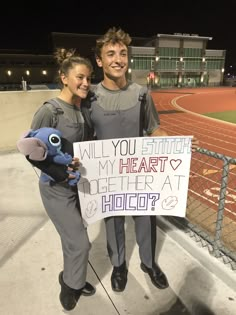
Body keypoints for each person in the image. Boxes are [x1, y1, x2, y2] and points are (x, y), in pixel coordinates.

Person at [81, 27, 199, 293]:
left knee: (146, 218)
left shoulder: (142, 93)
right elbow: (85, 137)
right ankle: (119, 265)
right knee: (113, 223)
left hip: (138, 174)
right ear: (99, 61)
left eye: (123, 53)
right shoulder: (89, 98)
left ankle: (148, 263)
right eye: (110, 53)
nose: (118, 59)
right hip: (108, 177)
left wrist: (174, 148)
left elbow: (154, 128)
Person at [29, 48, 95, 311]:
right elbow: (30, 150)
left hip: (76, 186)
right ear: (64, 77)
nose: (86, 83)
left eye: (89, 78)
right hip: (56, 189)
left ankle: (73, 276)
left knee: (75, 240)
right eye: (80, 77)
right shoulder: (50, 111)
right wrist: (60, 173)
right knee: (79, 243)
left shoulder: (81, 109)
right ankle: (70, 285)